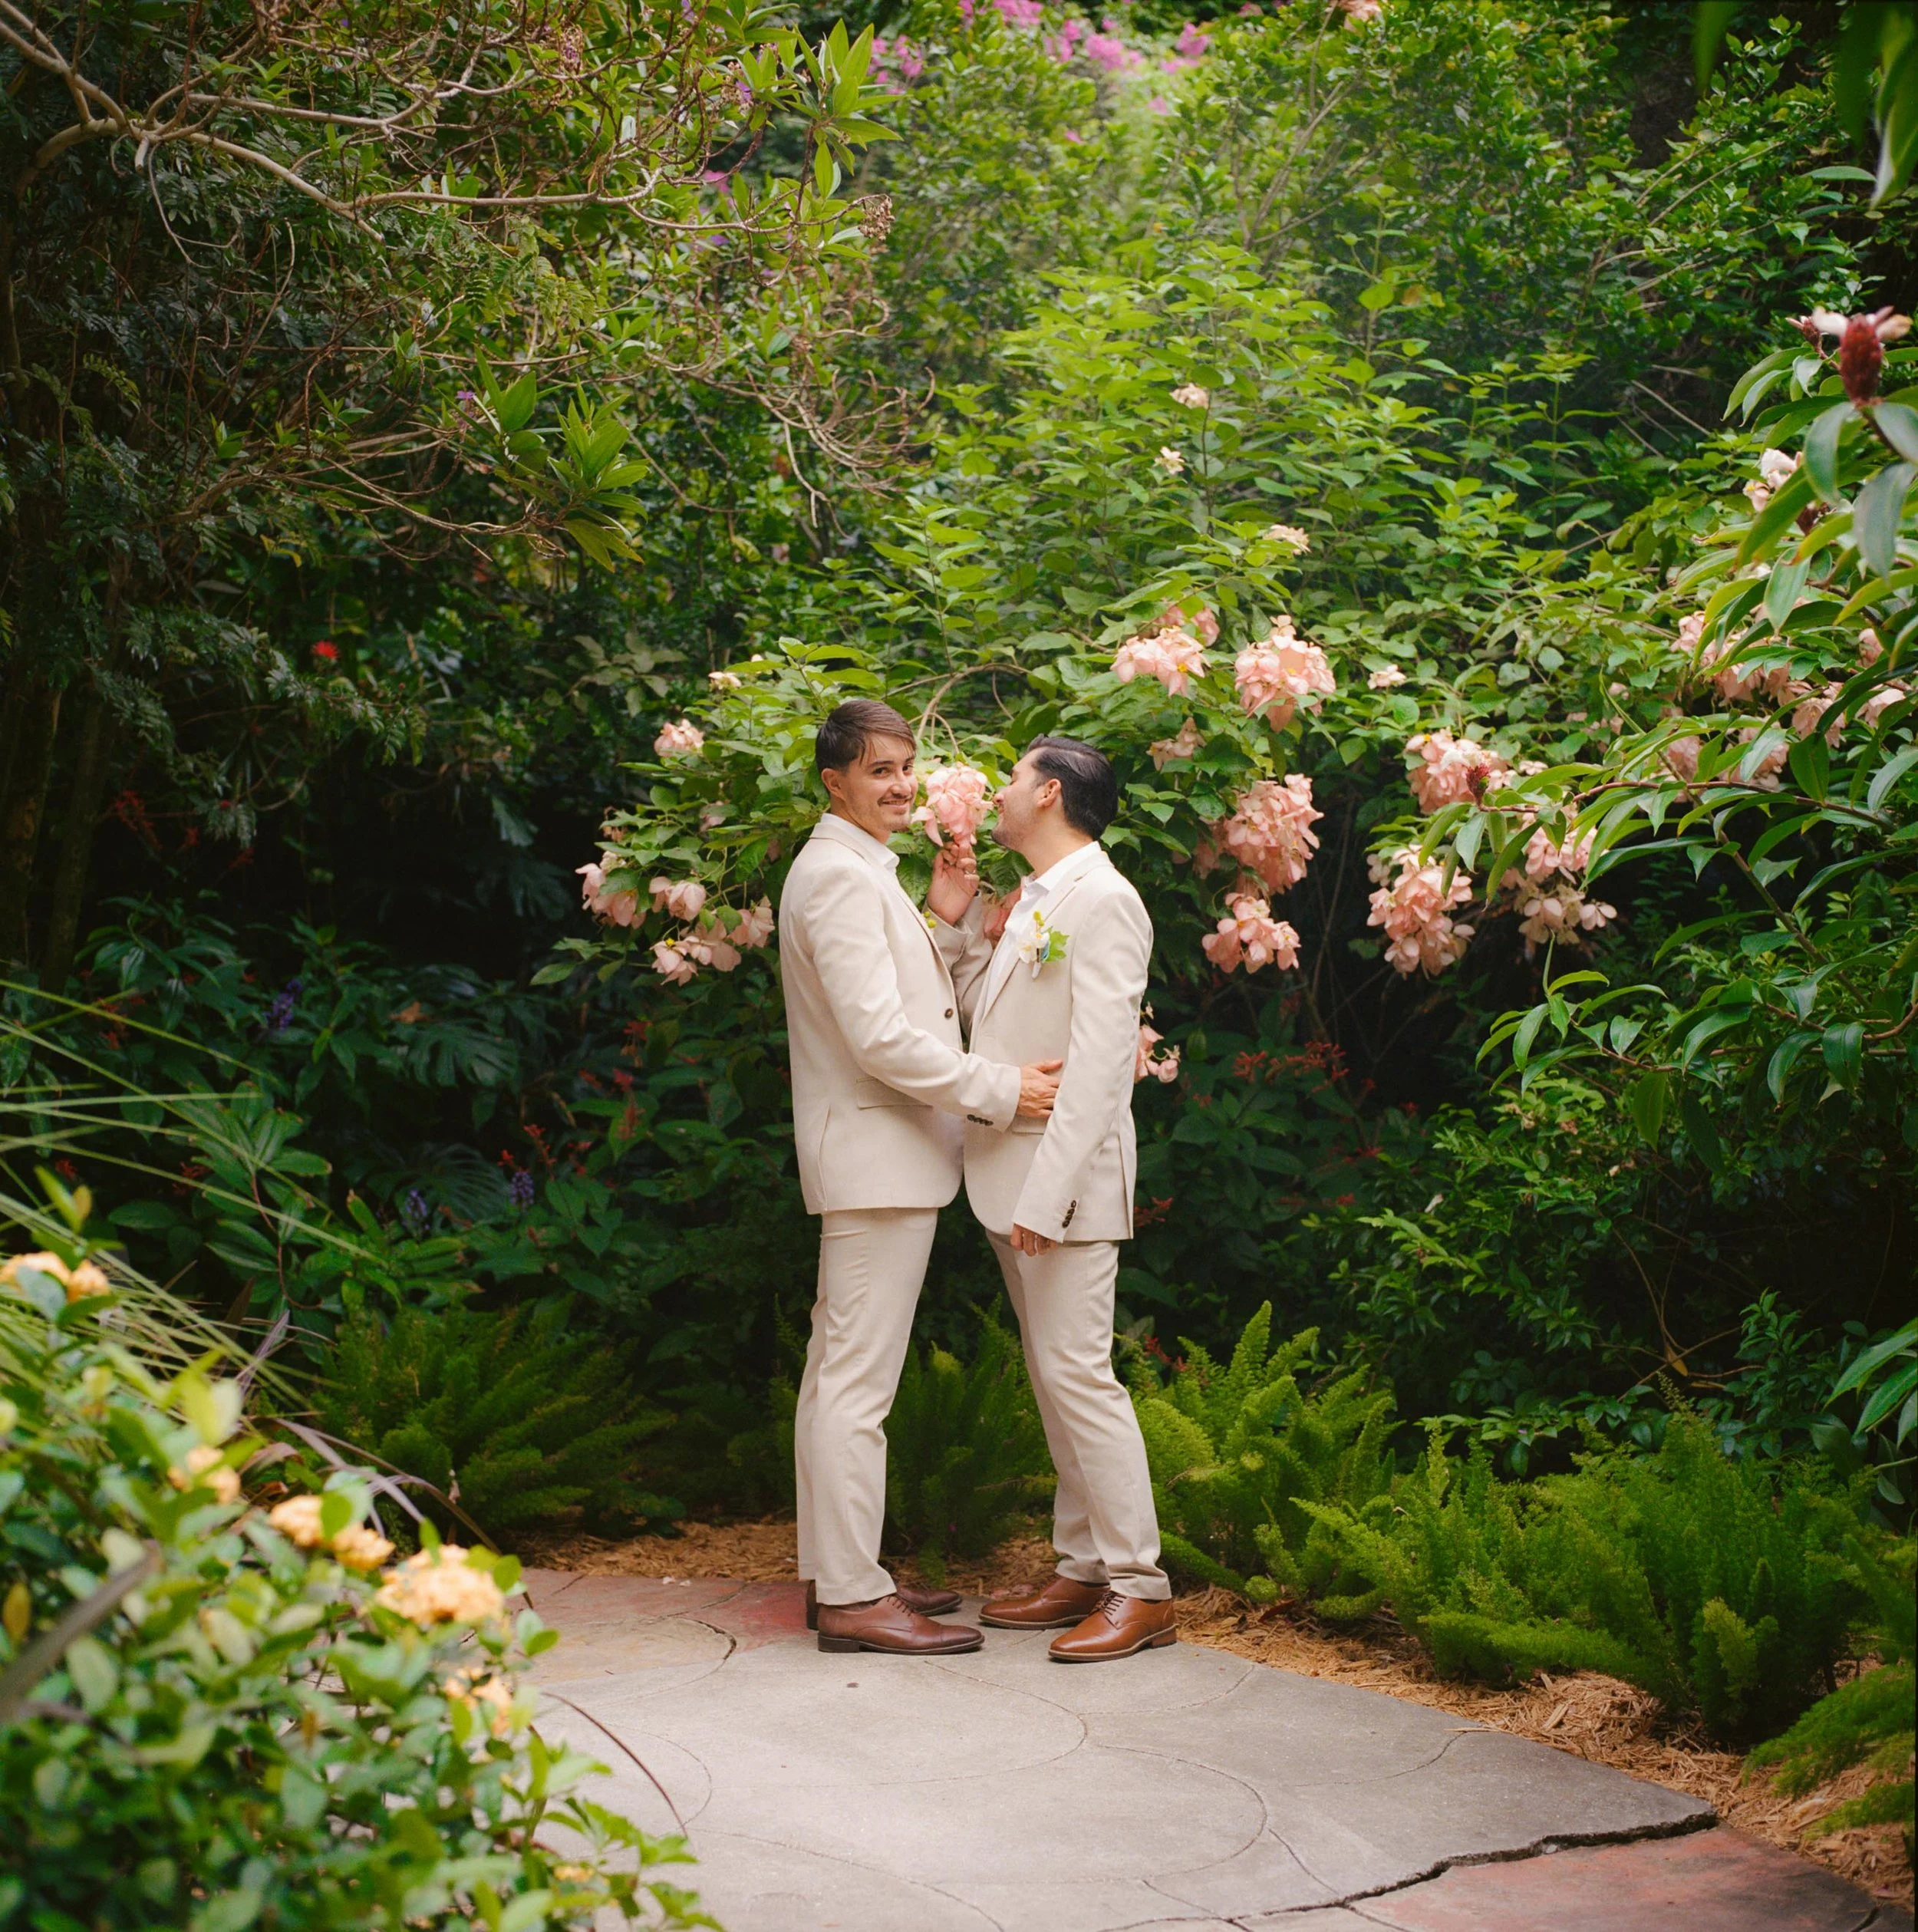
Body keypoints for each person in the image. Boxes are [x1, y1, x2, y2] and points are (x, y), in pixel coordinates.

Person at [777, 698, 1063, 1657]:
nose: (900, 785)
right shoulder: (837, 879)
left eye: (906, 766)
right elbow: (880, 1038)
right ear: (834, 782)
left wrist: (942, 924)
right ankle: (854, 1597)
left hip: (876, 1158)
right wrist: (999, 1090)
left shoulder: (857, 870)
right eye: (878, 771)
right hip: (875, 1157)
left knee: (834, 1377)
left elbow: (896, 997)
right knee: (857, 1386)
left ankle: (837, 1574)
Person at [931, 735, 1175, 1662]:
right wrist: (956, 927)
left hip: (1056, 1186)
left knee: (1080, 1376)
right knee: (1052, 1378)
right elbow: (982, 1021)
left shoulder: (1105, 899)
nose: (996, 793)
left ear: (1050, 791)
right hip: (1007, 1176)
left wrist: (1049, 1193)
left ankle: (1140, 1586)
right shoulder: (1028, 901)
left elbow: (1106, 1067)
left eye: (1010, 779)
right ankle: (1079, 1565)